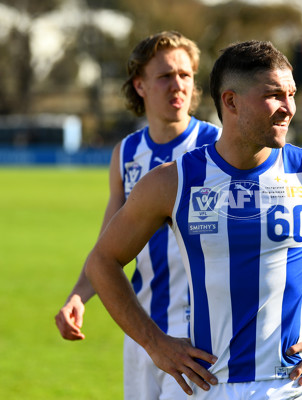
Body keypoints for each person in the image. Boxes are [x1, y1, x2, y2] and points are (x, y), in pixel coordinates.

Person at [83, 40, 302, 399]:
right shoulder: (172, 182)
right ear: (230, 101)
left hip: (288, 386)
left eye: (291, 94)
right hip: (204, 386)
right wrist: (155, 343)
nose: (288, 109)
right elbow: (103, 261)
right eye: (273, 95)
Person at [54, 31, 220, 400]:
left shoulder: (218, 146)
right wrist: (79, 296)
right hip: (141, 329)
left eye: (186, 75)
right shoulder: (127, 153)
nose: (178, 85)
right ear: (140, 85)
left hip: (200, 333)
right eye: (165, 76)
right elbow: (108, 244)